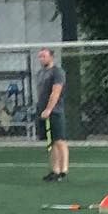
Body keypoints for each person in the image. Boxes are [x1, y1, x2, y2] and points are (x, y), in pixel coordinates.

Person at [37, 47, 69, 182]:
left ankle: (63, 170)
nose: (41, 59)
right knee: (51, 142)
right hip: (42, 110)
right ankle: (55, 170)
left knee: (59, 140)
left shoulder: (57, 72)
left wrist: (49, 109)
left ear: (51, 57)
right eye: (40, 56)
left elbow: (55, 92)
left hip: (55, 111)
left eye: (44, 56)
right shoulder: (40, 73)